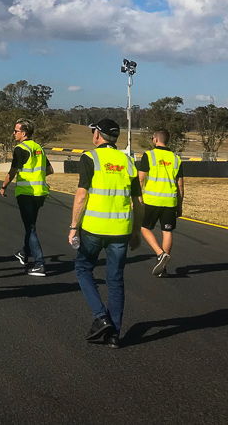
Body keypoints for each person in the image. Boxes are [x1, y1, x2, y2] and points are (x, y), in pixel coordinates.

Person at [68, 118, 142, 348]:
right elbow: (138, 200)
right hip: (120, 229)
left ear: (98, 135)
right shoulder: (128, 160)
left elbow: (82, 195)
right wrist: (136, 231)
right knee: (115, 280)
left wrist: (73, 227)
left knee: (82, 269)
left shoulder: (90, 158)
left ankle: (101, 317)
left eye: (93, 131)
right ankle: (114, 335)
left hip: (94, 229)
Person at [1, 118, 54, 276]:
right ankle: (24, 253)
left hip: (26, 193)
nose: (14, 133)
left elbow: (12, 172)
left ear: (23, 133)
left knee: (30, 228)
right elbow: (49, 170)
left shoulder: (20, 148)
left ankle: (39, 263)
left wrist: (3, 186)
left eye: (16, 131)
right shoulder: (38, 148)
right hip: (40, 193)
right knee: (30, 225)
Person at [138, 129, 184, 277]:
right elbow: (180, 185)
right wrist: (179, 204)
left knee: (144, 228)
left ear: (155, 139)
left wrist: (138, 198)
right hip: (170, 201)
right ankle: (163, 268)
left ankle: (159, 254)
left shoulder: (149, 155)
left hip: (152, 200)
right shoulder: (176, 159)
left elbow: (140, 179)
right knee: (167, 231)